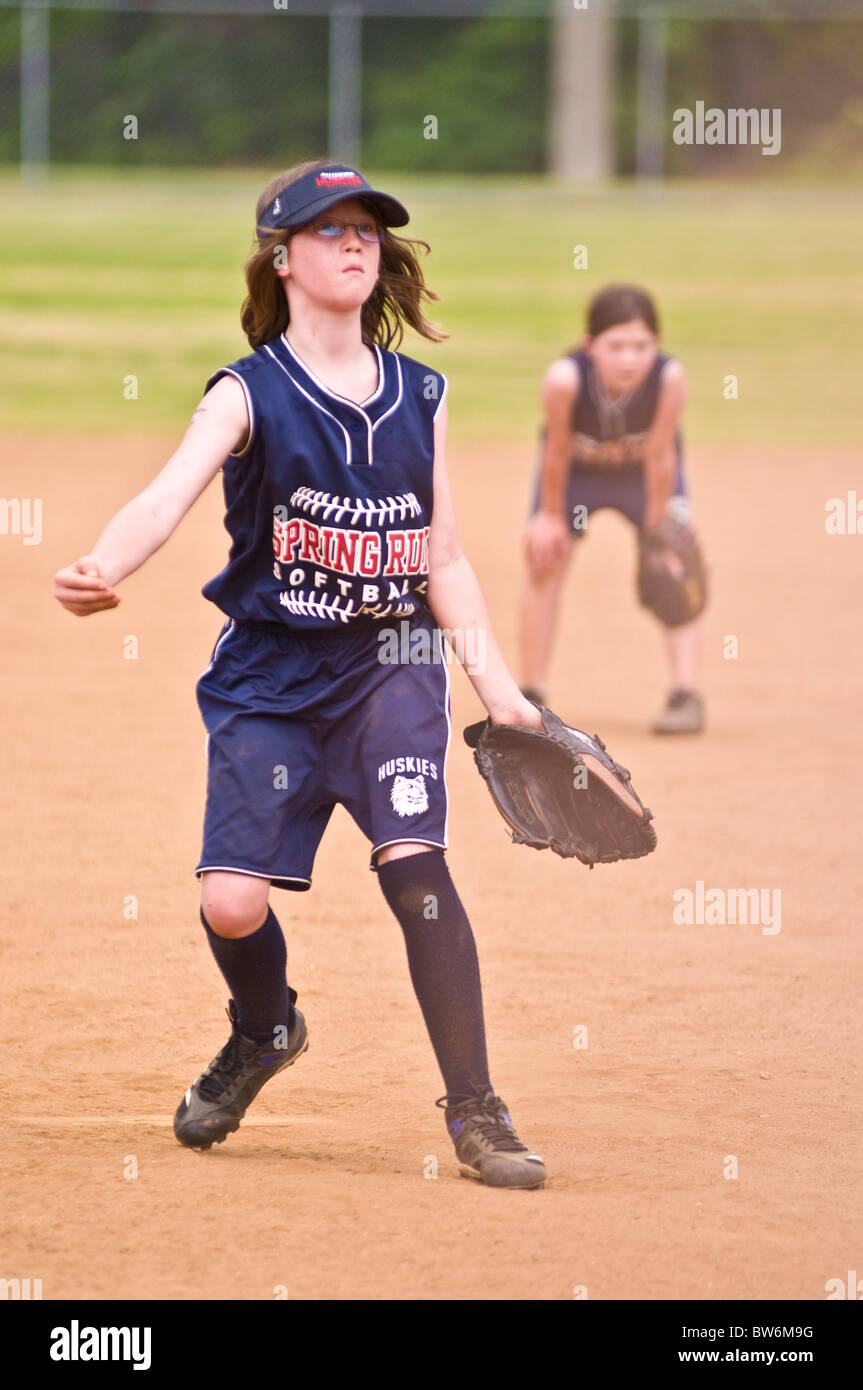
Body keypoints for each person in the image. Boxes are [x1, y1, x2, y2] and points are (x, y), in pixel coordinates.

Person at [53, 159, 547, 1190]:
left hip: (390, 669)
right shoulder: (249, 393)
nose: (355, 242)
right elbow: (164, 496)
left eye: (367, 227)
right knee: (231, 903)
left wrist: (497, 686)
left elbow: (440, 555)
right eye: (329, 229)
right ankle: (266, 1028)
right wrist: (106, 560)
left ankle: (476, 1110)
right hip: (269, 677)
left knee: (415, 870)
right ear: (282, 258)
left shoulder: (421, 394)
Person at [518, 283, 706, 734]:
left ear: (657, 346)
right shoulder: (564, 379)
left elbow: (662, 455)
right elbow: (557, 451)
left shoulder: (668, 378)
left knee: (673, 567)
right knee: (546, 559)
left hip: (644, 478)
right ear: (590, 346)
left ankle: (685, 694)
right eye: (616, 346)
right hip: (577, 475)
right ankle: (530, 695)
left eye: (641, 346)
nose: (629, 358)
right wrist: (550, 516)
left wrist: (660, 532)